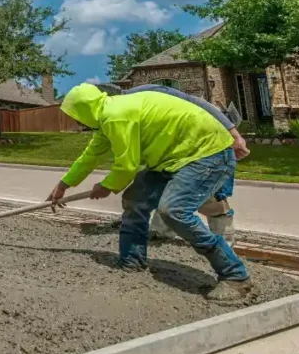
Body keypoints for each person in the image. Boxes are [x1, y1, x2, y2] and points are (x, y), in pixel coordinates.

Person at [48, 84, 252, 302]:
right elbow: (90, 156)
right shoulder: (108, 117)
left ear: (83, 111)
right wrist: (64, 185)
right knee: (135, 200)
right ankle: (132, 261)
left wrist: (106, 185)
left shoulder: (116, 115)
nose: (76, 122)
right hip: (171, 159)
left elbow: (127, 166)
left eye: (75, 116)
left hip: (206, 154)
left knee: (174, 210)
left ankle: (235, 277)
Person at [99, 84, 248, 245]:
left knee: (211, 198)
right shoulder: (123, 115)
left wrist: (235, 135)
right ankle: (160, 233)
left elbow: (200, 103)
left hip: (205, 144)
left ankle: (224, 240)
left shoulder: (152, 93)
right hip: (173, 152)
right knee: (164, 189)